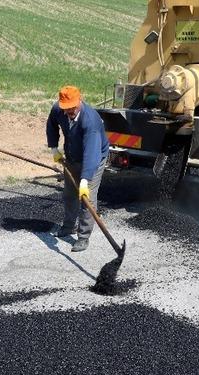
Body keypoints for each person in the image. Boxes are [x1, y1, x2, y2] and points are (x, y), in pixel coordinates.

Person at [46, 85, 110, 252]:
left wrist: (84, 179)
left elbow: (92, 153)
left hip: (94, 159)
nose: (69, 112)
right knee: (69, 194)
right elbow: (51, 124)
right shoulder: (58, 110)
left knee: (86, 199)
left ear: (79, 101)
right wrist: (54, 147)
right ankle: (68, 226)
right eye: (66, 109)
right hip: (72, 155)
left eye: (72, 108)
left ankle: (83, 236)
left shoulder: (91, 120)